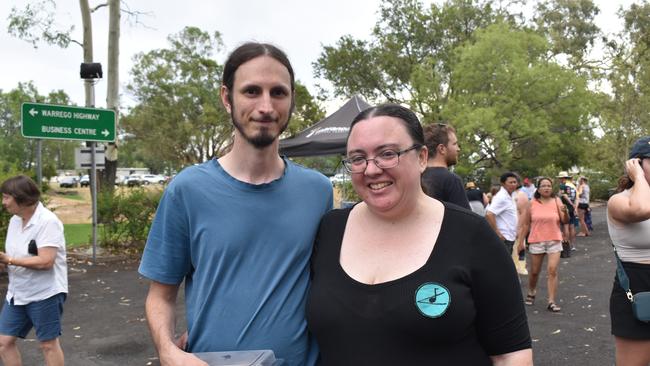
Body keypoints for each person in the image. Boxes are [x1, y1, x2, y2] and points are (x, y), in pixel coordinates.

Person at [138, 42, 333, 366]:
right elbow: (161, 295)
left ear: (292, 100)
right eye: (252, 91)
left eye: (279, 92)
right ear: (227, 98)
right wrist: (167, 351)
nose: (266, 106)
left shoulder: (317, 191)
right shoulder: (188, 189)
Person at [307, 104, 532, 365]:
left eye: (387, 153)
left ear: (422, 157)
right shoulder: (329, 230)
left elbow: (511, 355)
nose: (371, 169)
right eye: (358, 158)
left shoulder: (472, 235)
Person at [0, 175, 68, 366]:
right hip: (17, 293)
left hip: (45, 293)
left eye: (6, 197)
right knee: (3, 343)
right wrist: (4, 262)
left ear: (21, 198)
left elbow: (46, 261)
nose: (3, 202)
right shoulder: (15, 221)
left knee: (47, 344)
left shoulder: (48, 221)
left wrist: (10, 260)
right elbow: (15, 256)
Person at [607, 136, 650, 365]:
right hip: (637, 286)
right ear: (636, 164)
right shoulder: (618, 201)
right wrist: (639, 178)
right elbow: (641, 209)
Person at [523, 177, 567, 313]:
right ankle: (531, 291)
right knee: (535, 272)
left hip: (554, 239)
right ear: (538, 188)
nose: (547, 188)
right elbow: (525, 224)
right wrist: (521, 242)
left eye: (549, 185)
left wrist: (565, 211)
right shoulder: (531, 203)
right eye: (543, 186)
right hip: (536, 240)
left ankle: (551, 301)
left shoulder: (557, 201)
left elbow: (565, 220)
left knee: (552, 270)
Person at [421, 123, 471, 209]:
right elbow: (465, 220)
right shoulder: (451, 181)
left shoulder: (416, 178)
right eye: (455, 144)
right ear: (442, 149)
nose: (458, 149)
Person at [486, 172, 519, 256]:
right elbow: (489, 214)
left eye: (515, 182)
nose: (513, 184)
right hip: (504, 238)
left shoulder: (511, 195)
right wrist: (498, 233)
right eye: (510, 182)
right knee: (502, 266)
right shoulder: (502, 197)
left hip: (509, 236)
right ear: (503, 184)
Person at [557, 171, 578, 251]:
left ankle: (567, 244)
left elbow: (564, 196)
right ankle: (573, 245)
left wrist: (570, 204)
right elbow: (576, 197)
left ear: (562, 178)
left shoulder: (562, 185)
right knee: (572, 226)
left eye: (560, 178)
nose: (559, 180)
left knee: (565, 226)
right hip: (572, 207)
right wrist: (574, 206)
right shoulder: (573, 185)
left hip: (565, 207)